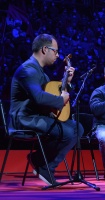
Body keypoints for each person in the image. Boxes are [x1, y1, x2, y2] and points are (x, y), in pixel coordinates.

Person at [9, 33, 84, 186]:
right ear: (44, 49)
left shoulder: (40, 72)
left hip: (38, 116)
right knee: (69, 132)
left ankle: (39, 160)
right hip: (24, 119)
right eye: (55, 51)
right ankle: (45, 167)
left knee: (77, 127)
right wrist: (60, 100)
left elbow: (49, 95)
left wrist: (66, 82)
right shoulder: (28, 70)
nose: (58, 55)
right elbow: (39, 97)